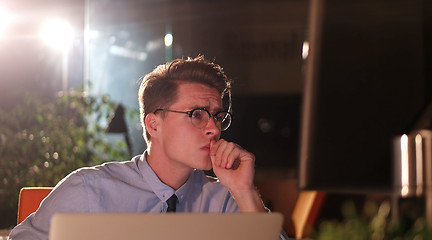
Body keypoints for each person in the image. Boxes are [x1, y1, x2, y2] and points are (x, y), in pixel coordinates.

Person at [8, 56, 288, 240]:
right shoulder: (89, 190)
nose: (213, 128)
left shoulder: (225, 199)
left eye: (217, 116)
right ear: (154, 125)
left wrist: (245, 192)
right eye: (196, 114)